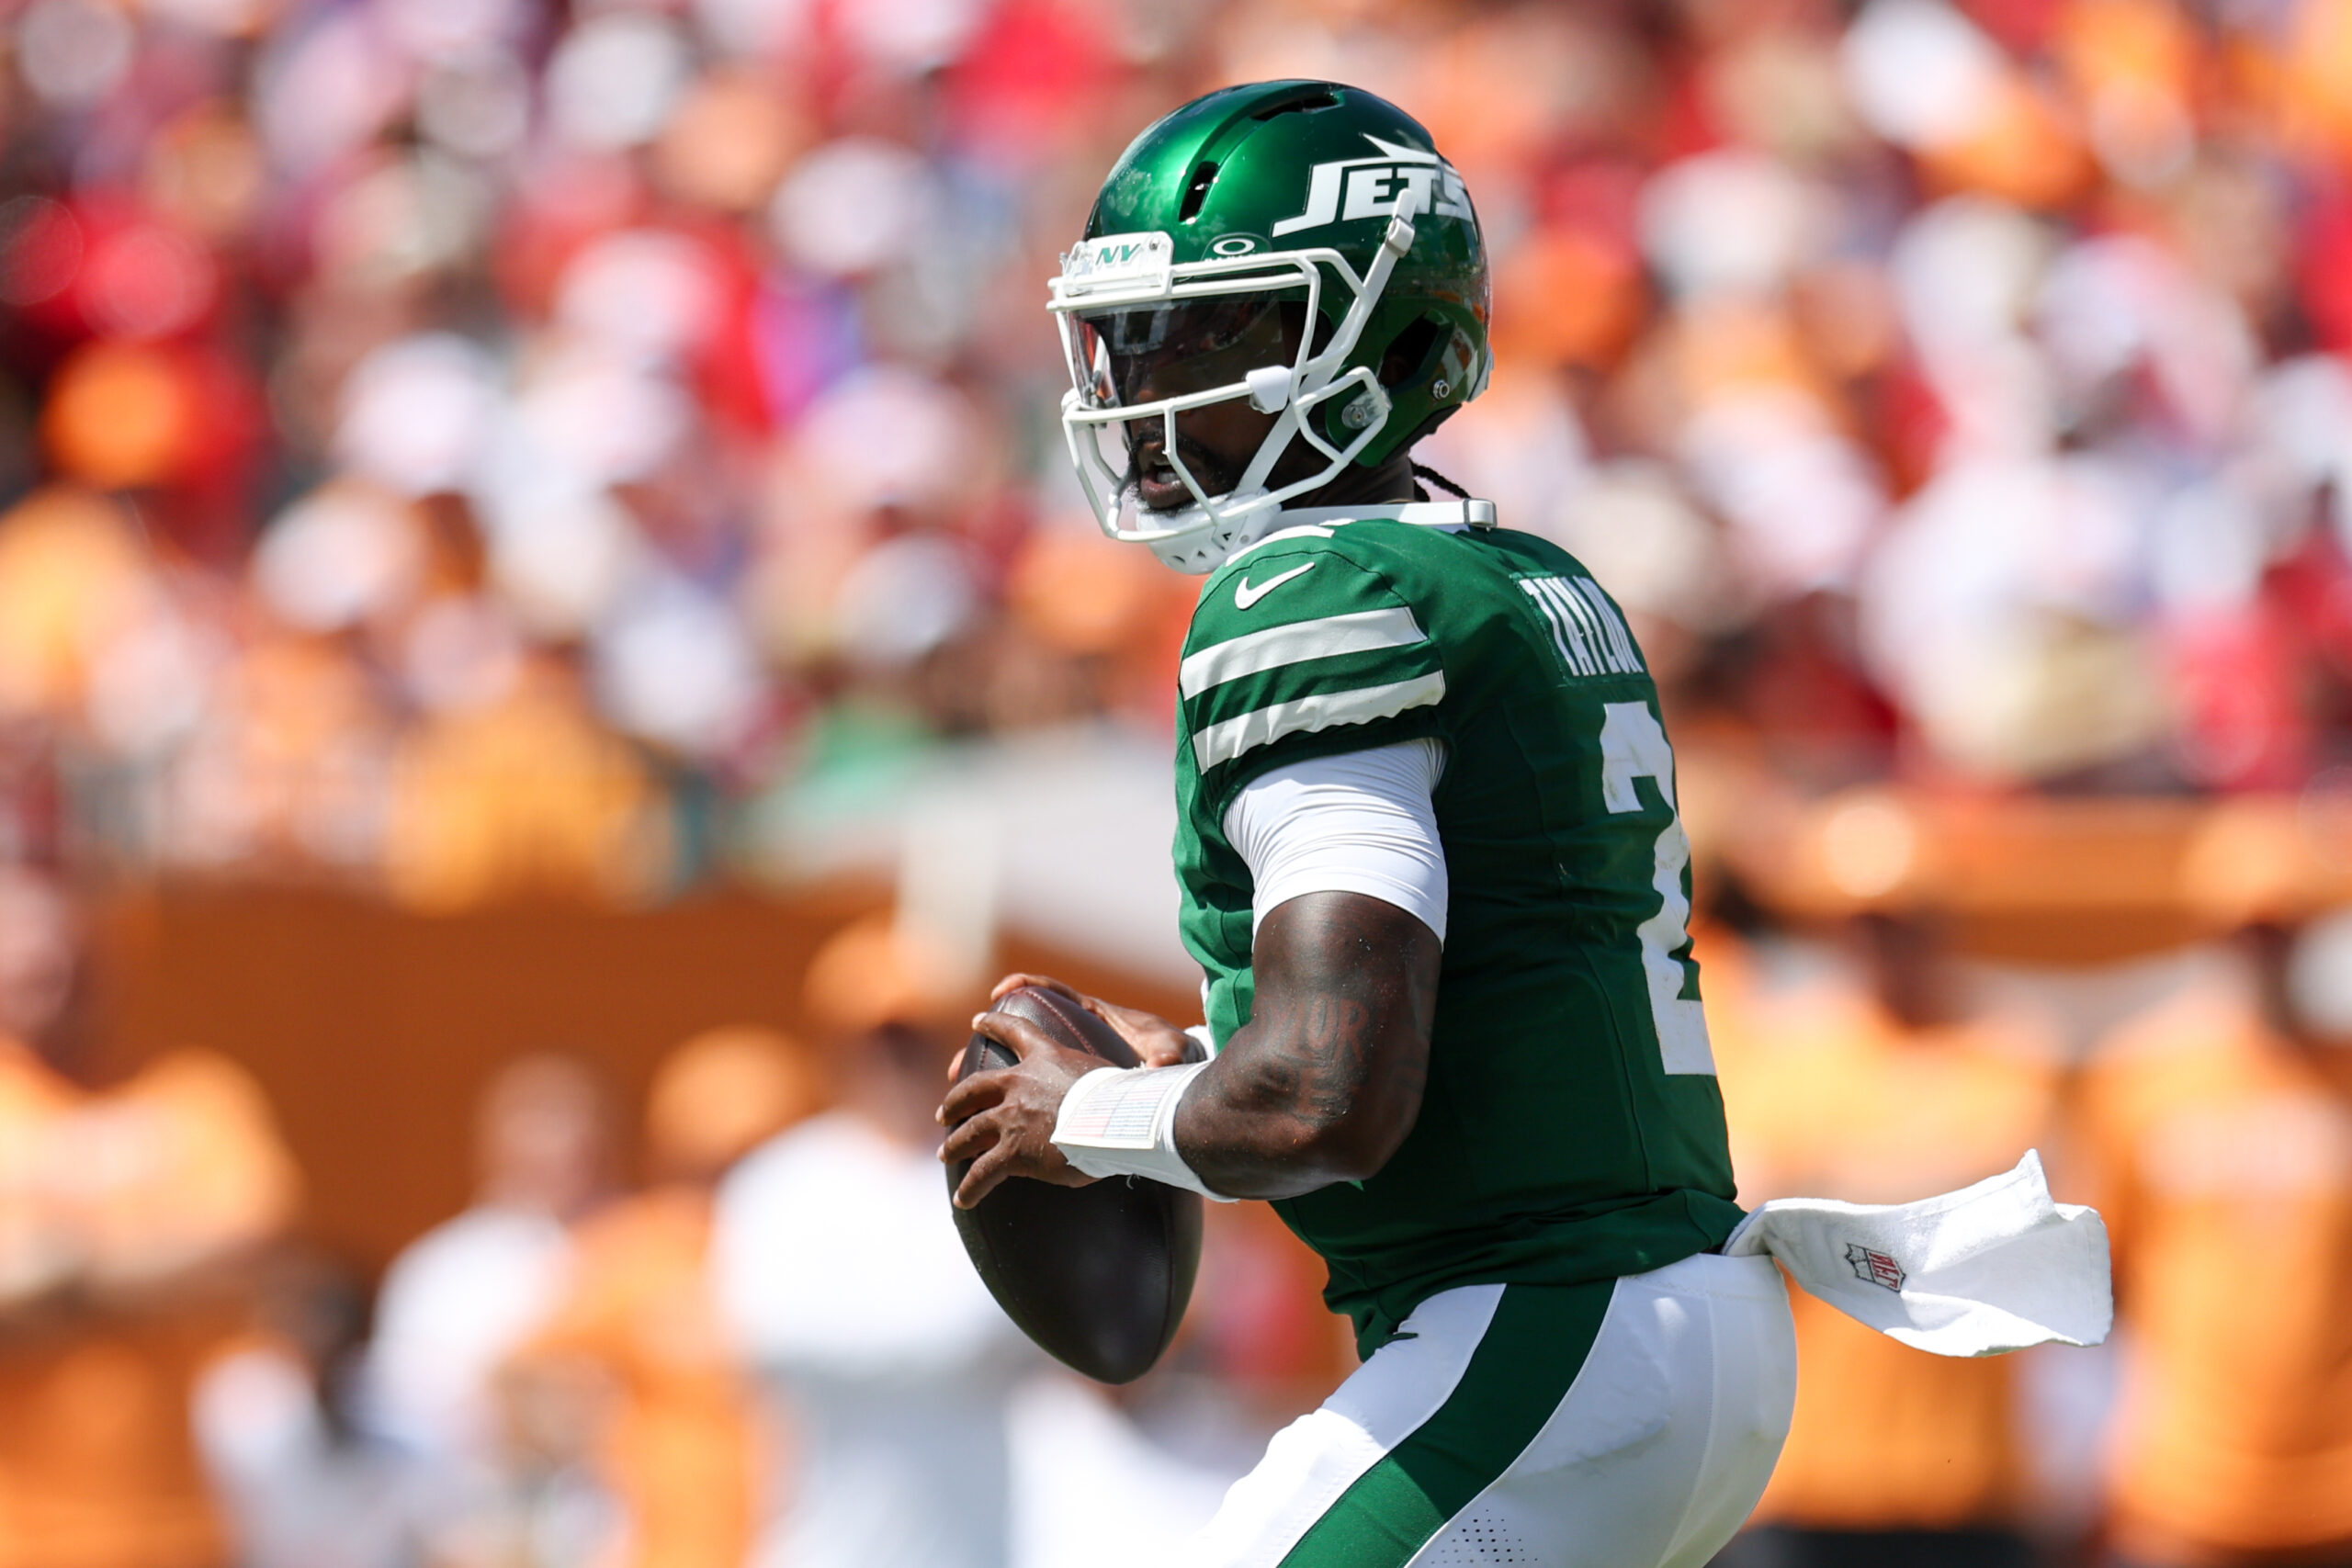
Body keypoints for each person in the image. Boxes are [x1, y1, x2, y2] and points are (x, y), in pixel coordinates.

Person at [938, 82, 1798, 1566]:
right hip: (1664, 1312)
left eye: (1205, 332)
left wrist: (1081, 1119)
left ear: (1382, 343)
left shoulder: (1310, 593)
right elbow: (1479, 1003)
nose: (1142, 382)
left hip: (1544, 1327)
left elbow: (1328, 1100)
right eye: (1129, 335)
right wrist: (1206, 1051)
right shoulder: (1529, 579)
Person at [1712, 913, 2063, 1568]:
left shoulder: (2003, 1049)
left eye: (1904, 925)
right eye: (1867, 928)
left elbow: (2012, 1206)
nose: (1883, 948)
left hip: (1968, 1478)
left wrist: (1826, 1187)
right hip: (1809, 1474)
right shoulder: (1791, 1055)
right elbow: (1749, 1212)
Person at [711, 916, 1032, 1568]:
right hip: (818, 1545)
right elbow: (764, 1334)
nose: (893, 1061)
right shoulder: (781, 1181)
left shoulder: (997, 1171)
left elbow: (1025, 1329)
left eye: (914, 1038)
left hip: (977, 1547)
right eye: (874, 1040)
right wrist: (948, 1340)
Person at [2075, 910, 2352, 1568]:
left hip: (2336, 1481)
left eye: (2279, 931)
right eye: (2247, 932)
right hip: (2184, 1478)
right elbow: (2097, 1272)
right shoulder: (2141, 1078)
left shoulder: (2340, 1075)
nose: (2263, 952)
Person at [500, 1025, 821, 1568]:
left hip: (816, 1543)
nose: (732, 1182)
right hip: (673, 1551)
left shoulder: (826, 1255)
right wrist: (595, 1450)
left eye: (752, 1161)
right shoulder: (641, 1252)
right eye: (711, 1162)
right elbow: (521, 1374)